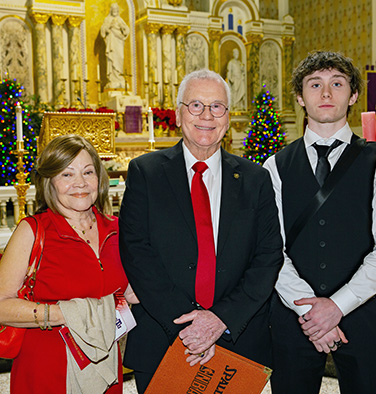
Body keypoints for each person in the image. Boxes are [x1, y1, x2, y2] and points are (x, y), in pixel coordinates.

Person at [119, 68, 283, 393]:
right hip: (164, 336)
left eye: (217, 107)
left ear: (229, 117)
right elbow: (137, 252)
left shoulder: (255, 179)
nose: (206, 115)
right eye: (195, 105)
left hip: (237, 336)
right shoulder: (145, 173)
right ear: (179, 114)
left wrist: (219, 320)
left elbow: (268, 257)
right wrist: (189, 325)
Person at [263, 51, 376, 393]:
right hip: (293, 315)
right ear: (300, 97)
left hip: (361, 311)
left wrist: (337, 306)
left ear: (353, 95)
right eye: (315, 85)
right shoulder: (274, 166)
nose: (326, 94)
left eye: (337, 84)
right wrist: (312, 313)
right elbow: (270, 250)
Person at [0, 134, 137, 393]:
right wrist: (69, 314)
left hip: (104, 367)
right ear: (50, 182)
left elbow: (128, 292)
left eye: (88, 172)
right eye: (67, 175)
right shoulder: (33, 231)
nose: (80, 183)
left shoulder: (117, 230)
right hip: (48, 369)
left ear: (99, 179)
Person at [100, 3, 129, 90]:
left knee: (121, 57)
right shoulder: (107, 19)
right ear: (111, 10)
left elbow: (127, 30)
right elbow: (103, 30)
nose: (115, 11)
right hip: (112, 41)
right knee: (112, 59)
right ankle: (113, 78)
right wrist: (110, 26)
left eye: (116, 9)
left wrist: (122, 27)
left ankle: (119, 77)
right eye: (113, 9)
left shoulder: (120, 20)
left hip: (119, 42)